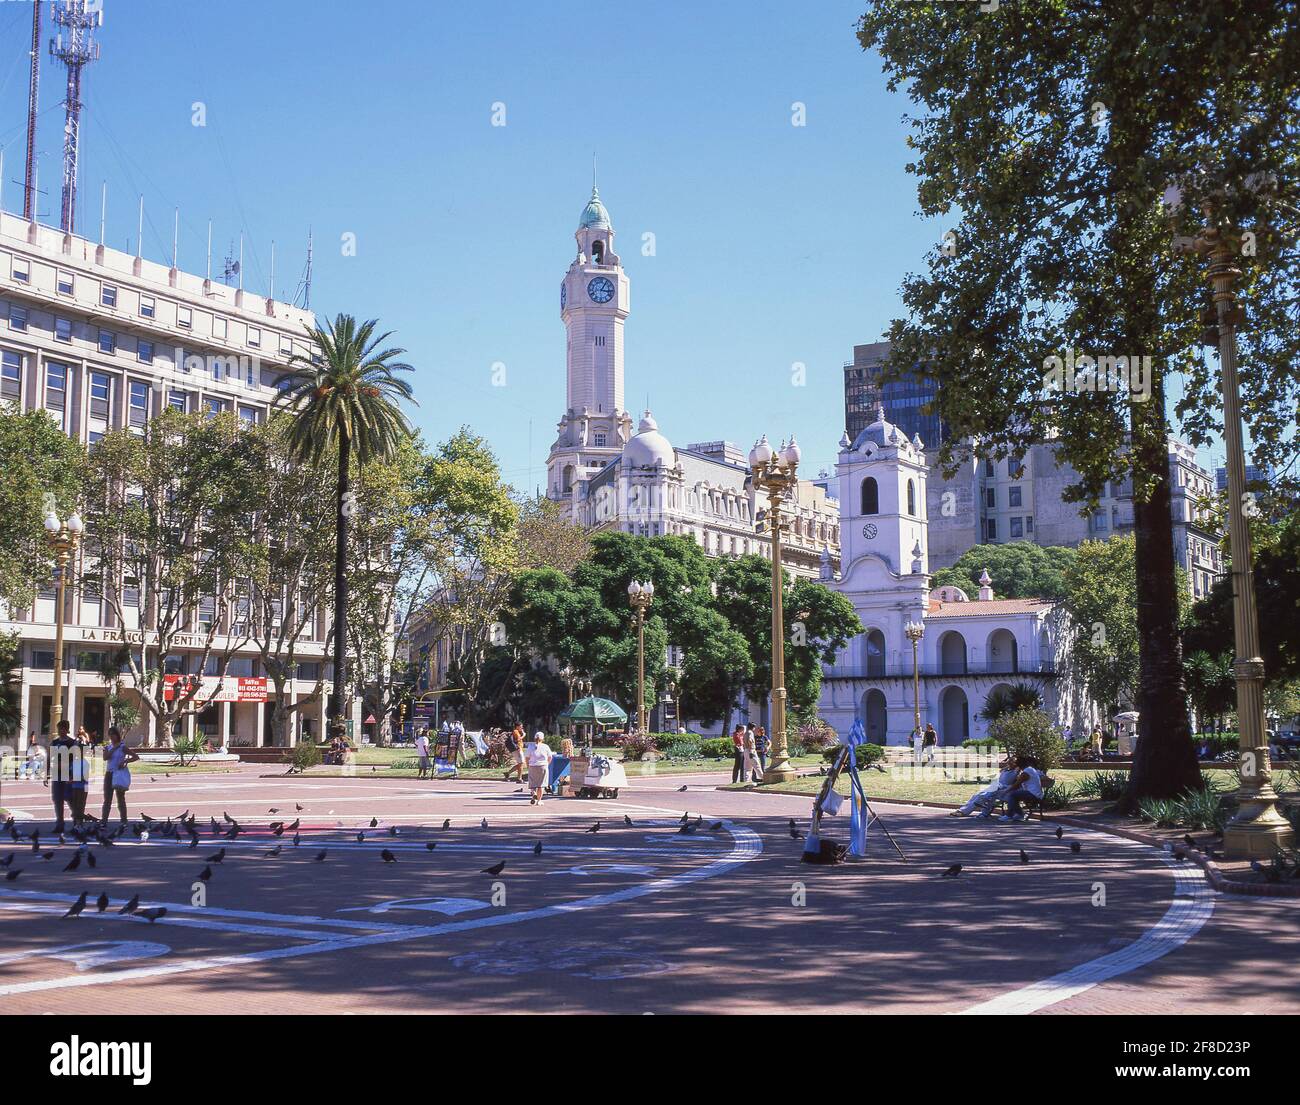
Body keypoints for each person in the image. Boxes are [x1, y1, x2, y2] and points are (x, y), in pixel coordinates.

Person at [952, 752, 1018, 817]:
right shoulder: (1006, 770)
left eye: (1011, 763)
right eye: (1009, 763)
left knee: (984, 797)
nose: (1009, 764)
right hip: (996, 787)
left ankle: (966, 812)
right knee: (977, 795)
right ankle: (962, 810)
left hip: (1004, 790)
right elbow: (1002, 770)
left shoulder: (1016, 771)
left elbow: (1015, 776)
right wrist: (1007, 766)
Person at [101, 726, 139, 826]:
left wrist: (125, 761)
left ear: (117, 735)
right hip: (109, 774)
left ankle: (124, 821)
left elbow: (136, 757)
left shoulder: (123, 747)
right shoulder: (108, 747)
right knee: (107, 799)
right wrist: (114, 748)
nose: (112, 737)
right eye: (110, 735)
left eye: (113, 735)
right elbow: (105, 758)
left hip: (119, 774)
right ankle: (104, 821)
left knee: (120, 798)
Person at [48, 721, 76, 833]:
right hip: (56, 774)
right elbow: (49, 758)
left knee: (70, 799)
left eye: (63, 729)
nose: (61, 731)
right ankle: (60, 823)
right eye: (59, 729)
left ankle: (76, 822)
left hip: (68, 775)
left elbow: (76, 759)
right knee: (57, 800)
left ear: (67, 729)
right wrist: (46, 773)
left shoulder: (72, 743)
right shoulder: (54, 743)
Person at [1000, 755, 1044, 822]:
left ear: (1020, 765)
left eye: (1017, 764)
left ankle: (1011, 815)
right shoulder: (1029, 769)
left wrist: (1005, 791)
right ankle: (1018, 814)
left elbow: (1016, 784)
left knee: (1012, 795)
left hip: (1033, 794)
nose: (1016, 765)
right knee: (1014, 794)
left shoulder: (1026, 772)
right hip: (1032, 793)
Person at [527, 732, 553, 805]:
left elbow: (527, 757)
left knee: (532, 783)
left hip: (532, 766)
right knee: (541, 784)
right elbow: (550, 757)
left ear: (534, 738)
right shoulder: (546, 746)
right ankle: (539, 801)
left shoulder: (530, 746)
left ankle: (533, 792)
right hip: (543, 766)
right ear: (543, 739)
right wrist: (547, 763)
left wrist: (528, 765)